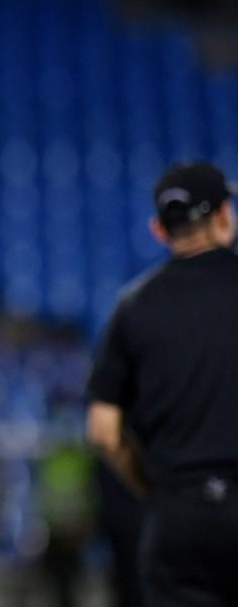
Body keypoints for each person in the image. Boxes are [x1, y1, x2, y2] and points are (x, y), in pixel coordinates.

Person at [87, 162, 238, 606]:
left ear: (159, 230)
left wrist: (154, 489)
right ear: (225, 216)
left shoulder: (133, 307)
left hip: (178, 514)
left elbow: (103, 431)